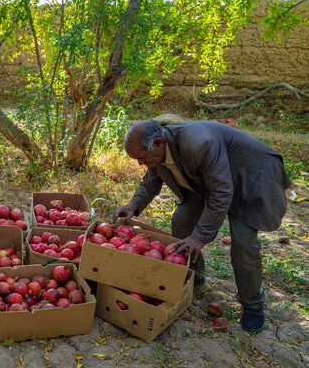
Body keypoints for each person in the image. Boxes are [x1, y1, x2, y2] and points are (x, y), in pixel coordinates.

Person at [113, 120, 291, 333]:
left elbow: (222, 193)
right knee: (182, 221)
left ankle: (252, 305)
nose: (141, 163)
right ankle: (192, 276)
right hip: (208, 182)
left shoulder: (199, 144)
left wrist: (200, 237)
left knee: (244, 242)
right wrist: (134, 204)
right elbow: (151, 180)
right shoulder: (158, 152)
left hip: (252, 178)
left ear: (159, 143)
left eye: (142, 157)